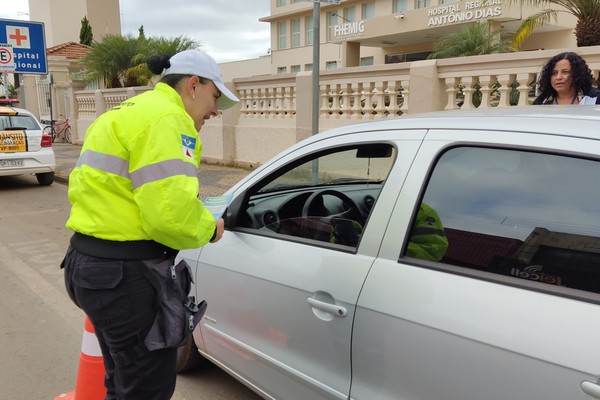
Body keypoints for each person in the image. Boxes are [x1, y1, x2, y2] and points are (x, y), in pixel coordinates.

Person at [61, 49, 239, 400]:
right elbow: (169, 217)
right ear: (192, 85)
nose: (216, 110)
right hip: (125, 278)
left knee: (123, 381)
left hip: (88, 265)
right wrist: (210, 228)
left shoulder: (125, 112)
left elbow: (123, 192)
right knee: (147, 388)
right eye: (215, 96)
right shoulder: (169, 121)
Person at [533, 52, 600, 105]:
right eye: (554, 73)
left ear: (577, 74)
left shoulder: (595, 99)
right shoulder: (541, 102)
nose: (558, 77)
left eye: (565, 72)